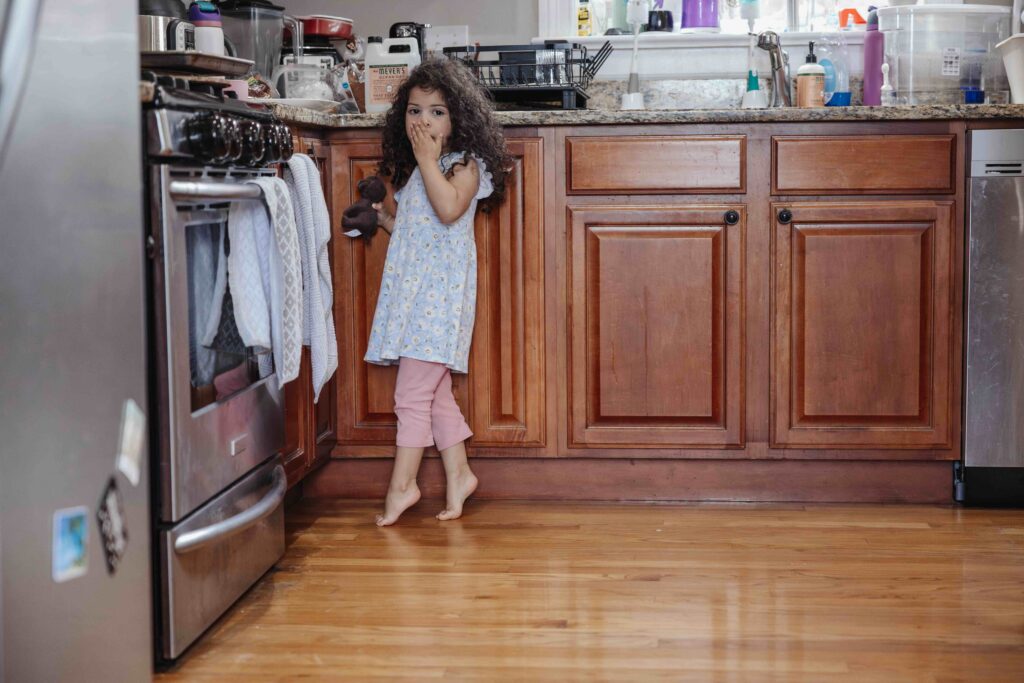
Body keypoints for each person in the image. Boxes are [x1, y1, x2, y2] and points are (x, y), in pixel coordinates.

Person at [364, 59, 512, 526]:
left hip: (438, 303)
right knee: (435, 392)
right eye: (414, 111)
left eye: (437, 112)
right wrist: (383, 218)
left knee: (410, 396)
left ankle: (402, 486)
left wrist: (429, 161)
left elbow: (448, 210)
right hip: (414, 300)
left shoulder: (467, 166)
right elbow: (416, 233)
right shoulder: (415, 174)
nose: (423, 121)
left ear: (459, 119)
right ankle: (460, 473)